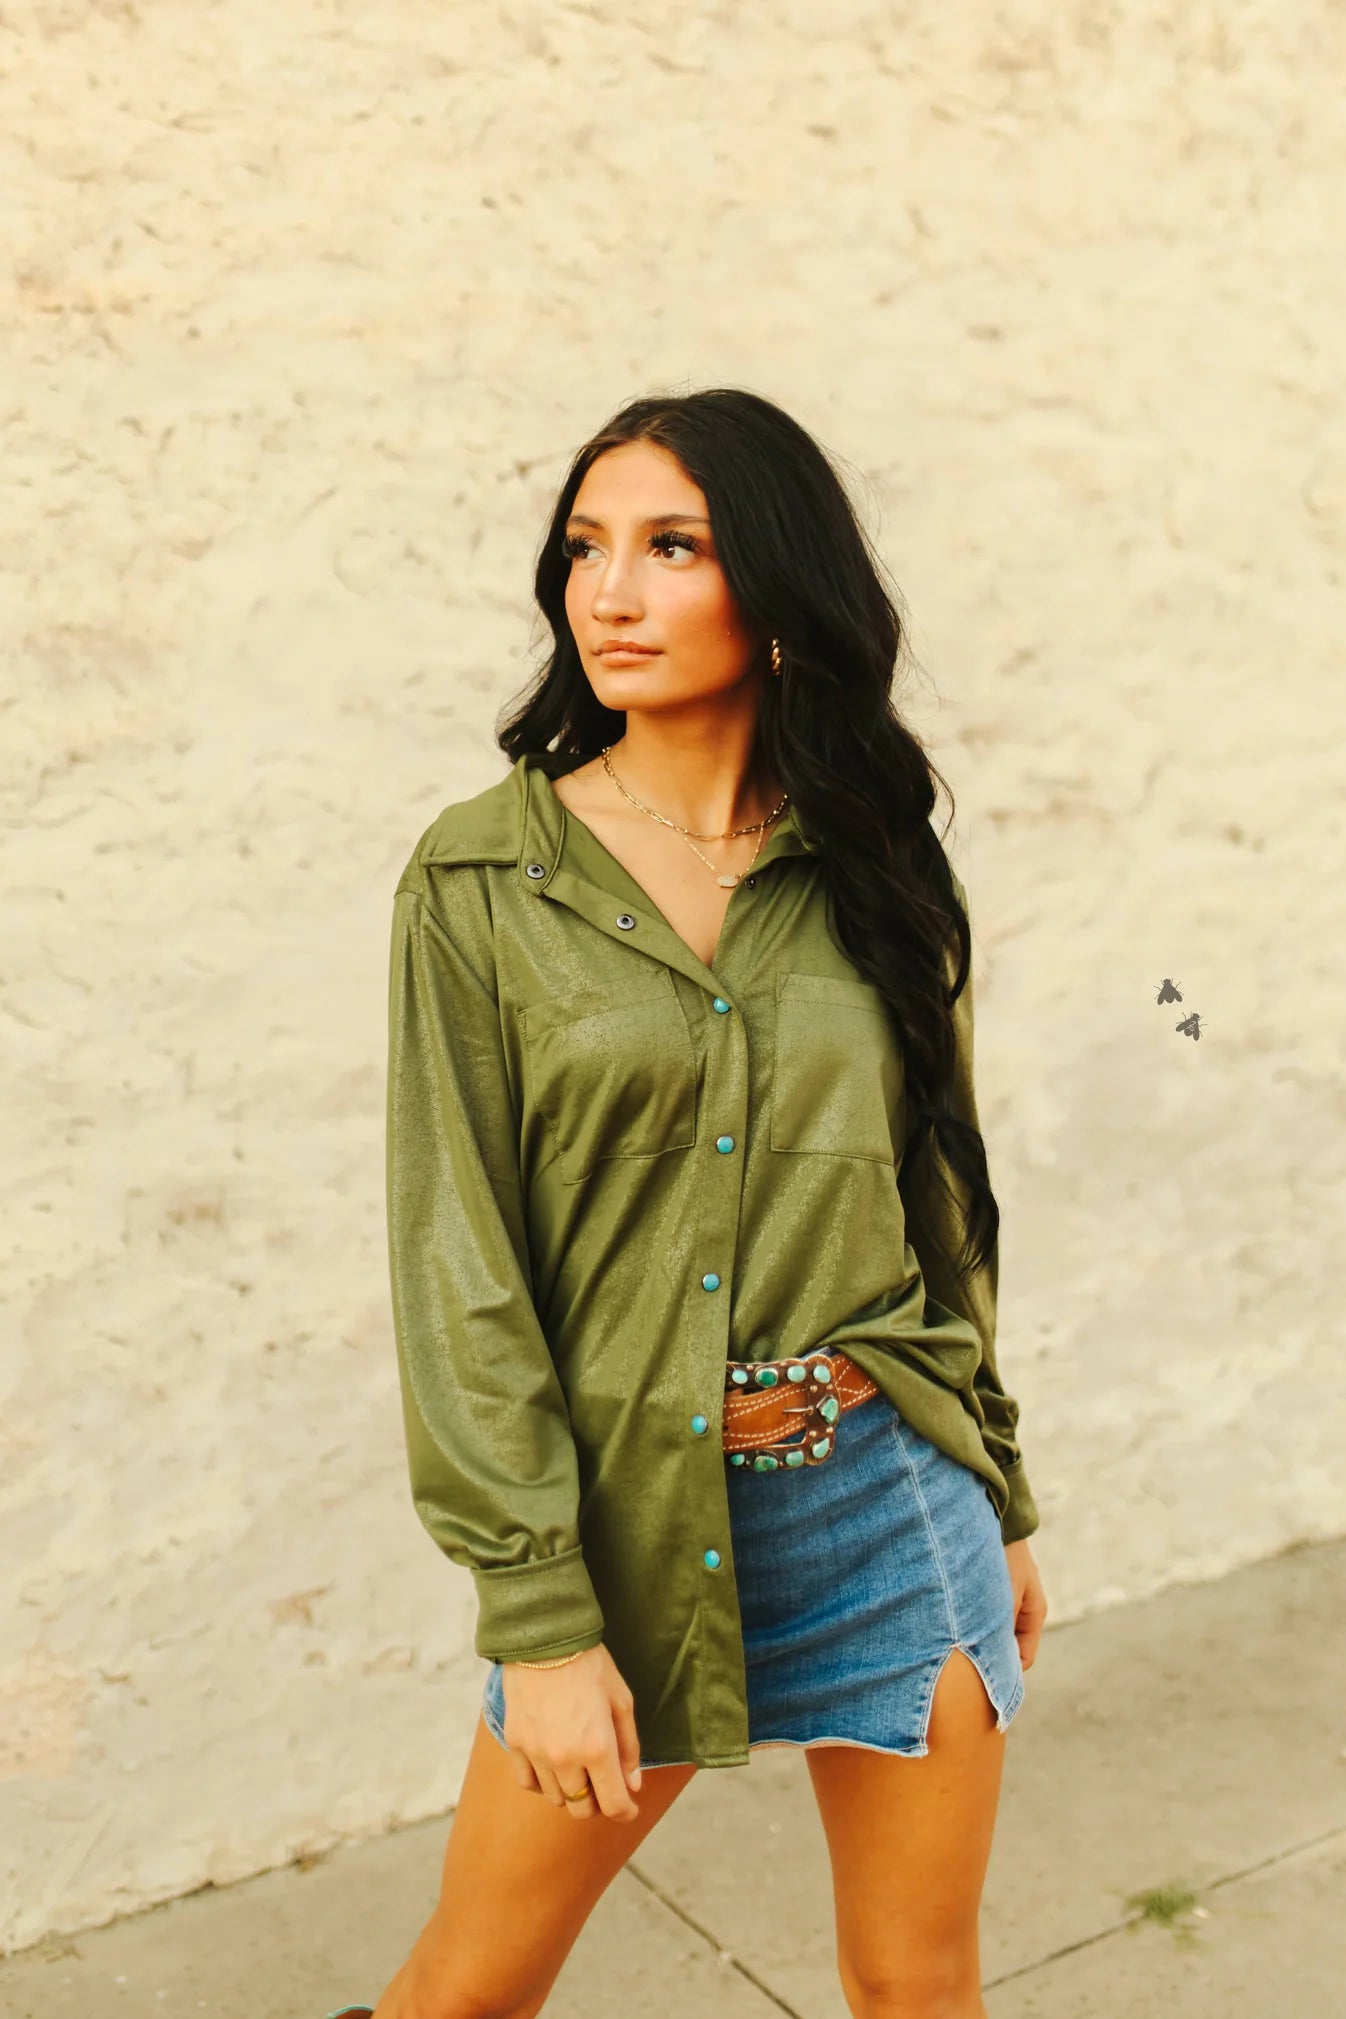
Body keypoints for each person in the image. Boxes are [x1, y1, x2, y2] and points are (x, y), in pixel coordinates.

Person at [346, 387, 1048, 2019]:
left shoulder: (878, 865)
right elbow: (461, 1267)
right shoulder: (478, 883)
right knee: (464, 1991)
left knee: (919, 1986)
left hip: (892, 1490)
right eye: (586, 549)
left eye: (672, 547)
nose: (608, 592)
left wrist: (994, 1489)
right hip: (631, 1532)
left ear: (779, 588)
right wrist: (535, 1620)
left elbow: (939, 1196)